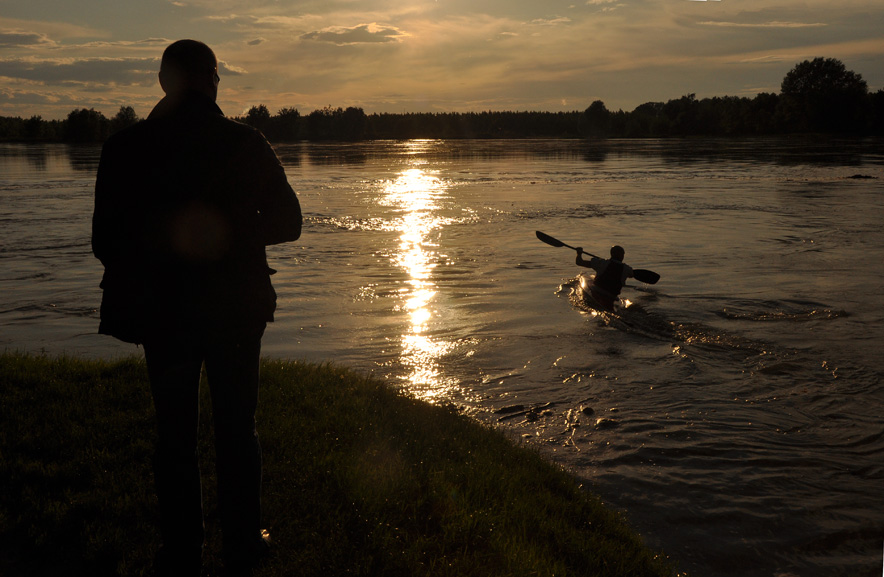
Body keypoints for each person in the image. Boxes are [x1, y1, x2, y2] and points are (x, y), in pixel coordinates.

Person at [92, 39, 302, 576]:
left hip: (163, 314)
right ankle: (243, 547)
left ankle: (181, 551)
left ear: (164, 82)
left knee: (174, 434)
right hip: (234, 310)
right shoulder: (245, 143)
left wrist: (161, 246)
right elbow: (289, 223)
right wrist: (230, 235)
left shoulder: (125, 148)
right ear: (211, 80)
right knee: (237, 428)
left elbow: (103, 242)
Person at [574, 245, 634, 310]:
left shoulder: (601, 263)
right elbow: (631, 275)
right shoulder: (627, 269)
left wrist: (579, 254)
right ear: (622, 256)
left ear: (612, 254)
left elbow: (579, 262)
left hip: (596, 292)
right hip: (611, 297)